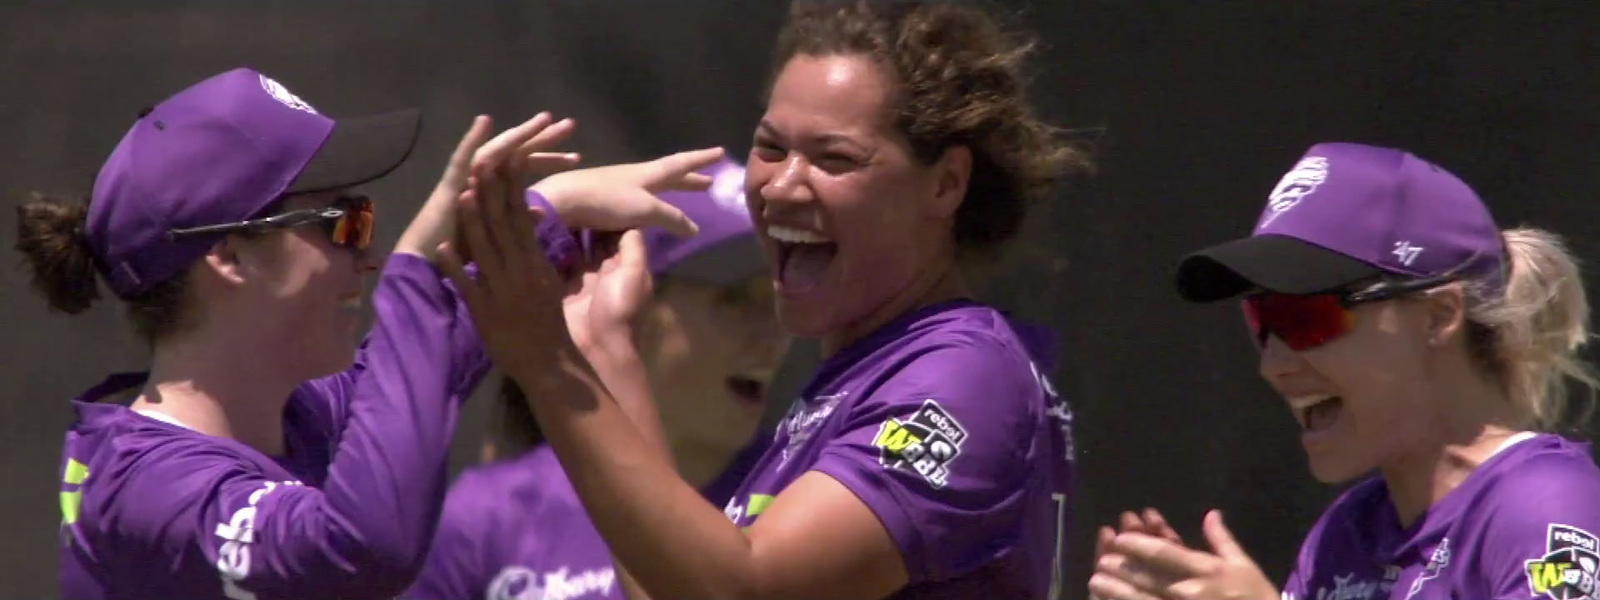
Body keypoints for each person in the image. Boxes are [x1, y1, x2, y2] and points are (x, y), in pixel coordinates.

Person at [439, 1, 1087, 598]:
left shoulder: (962, 375)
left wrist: (553, 366)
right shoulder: (854, 383)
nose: (780, 188)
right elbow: (673, 588)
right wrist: (602, 350)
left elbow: (747, 592)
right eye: (771, 148)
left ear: (945, 184)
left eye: (834, 159)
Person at [20, 67, 722, 600]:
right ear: (227, 255)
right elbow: (362, 546)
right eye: (342, 223)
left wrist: (557, 210)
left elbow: (433, 343)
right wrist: (416, 264)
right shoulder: (145, 487)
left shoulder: (302, 415)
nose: (370, 253)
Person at [1088, 142, 1600, 600]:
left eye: (1304, 317)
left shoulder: (1544, 504)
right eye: (1263, 319)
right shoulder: (1349, 530)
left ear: (1439, 316)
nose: (1273, 364)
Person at [404, 158, 792, 600]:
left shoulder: (811, 499)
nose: (775, 334)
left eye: (776, 296)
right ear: (628, 296)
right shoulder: (489, 516)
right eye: (735, 298)